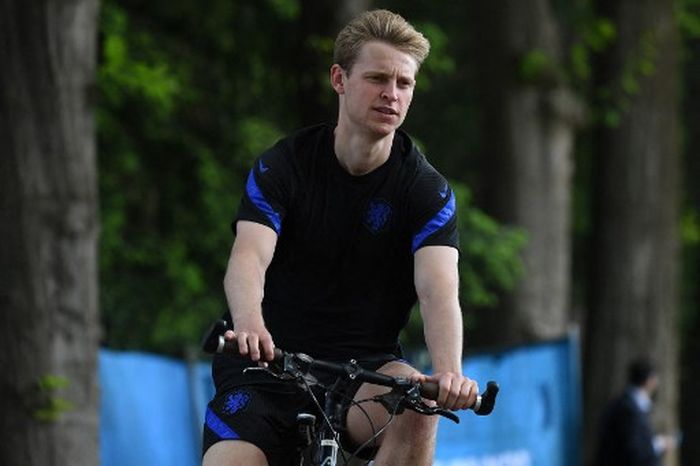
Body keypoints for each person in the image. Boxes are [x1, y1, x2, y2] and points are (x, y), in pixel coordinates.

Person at [202, 9, 479, 466]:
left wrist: (449, 371)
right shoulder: (284, 165)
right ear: (339, 79)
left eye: (404, 83)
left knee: (416, 400)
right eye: (377, 78)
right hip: (266, 366)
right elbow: (249, 257)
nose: (391, 94)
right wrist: (250, 324)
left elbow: (438, 290)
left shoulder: (426, 190)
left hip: (364, 373)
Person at [596, 358, 678, 466]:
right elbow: (633, 450)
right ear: (650, 381)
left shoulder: (625, 403)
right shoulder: (629, 409)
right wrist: (660, 444)